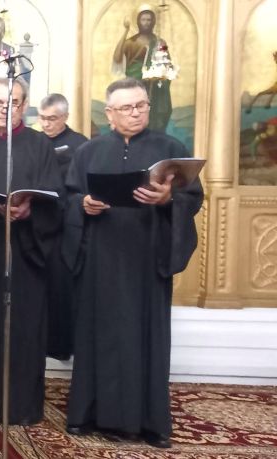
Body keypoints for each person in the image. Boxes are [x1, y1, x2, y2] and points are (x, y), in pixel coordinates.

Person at [63, 78, 202, 449]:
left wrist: (168, 200)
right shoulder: (88, 152)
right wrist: (83, 205)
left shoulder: (171, 150)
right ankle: (87, 415)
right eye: (126, 107)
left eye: (141, 105)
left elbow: (192, 198)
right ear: (109, 113)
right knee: (97, 335)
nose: (136, 113)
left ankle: (150, 423)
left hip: (146, 259)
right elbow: (70, 197)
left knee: (146, 337)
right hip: (101, 259)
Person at [0, 78, 61, 426]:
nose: (5, 110)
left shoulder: (40, 145)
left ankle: (20, 405)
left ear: (25, 105)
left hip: (25, 250)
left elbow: (55, 197)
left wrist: (30, 210)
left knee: (23, 327)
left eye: (14, 103)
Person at [38, 93, 88, 361]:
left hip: (68, 225)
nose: (46, 124)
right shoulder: (35, 142)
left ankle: (61, 345)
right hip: (37, 222)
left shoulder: (81, 145)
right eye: (42, 118)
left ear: (65, 117)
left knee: (62, 286)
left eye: (52, 119)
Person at [113, 6, 172, 131]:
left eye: (149, 20)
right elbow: (117, 58)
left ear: (153, 22)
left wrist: (161, 75)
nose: (146, 23)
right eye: (143, 20)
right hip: (136, 86)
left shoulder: (159, 42)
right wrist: (126, 31)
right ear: (138, 22)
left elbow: (166, 64)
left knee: (156, 117)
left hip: (155, 90)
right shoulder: (131, 42)